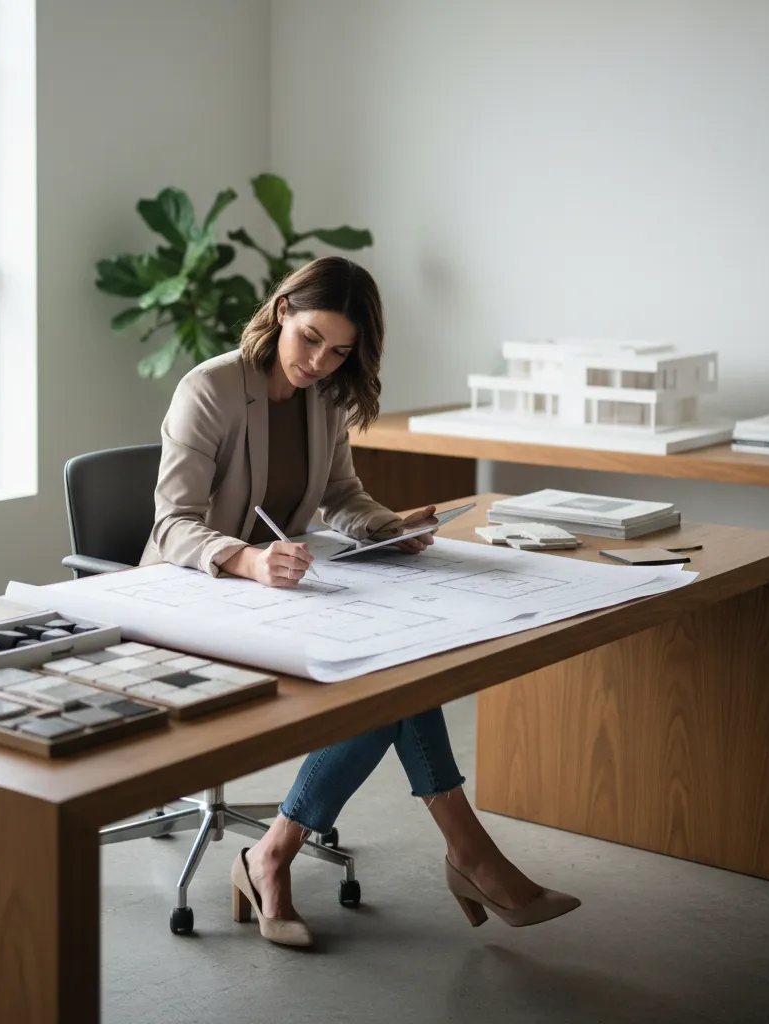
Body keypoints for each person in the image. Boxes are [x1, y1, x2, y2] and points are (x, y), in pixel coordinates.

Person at [140, 256, 580, 947]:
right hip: (200, 595)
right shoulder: (213, 389)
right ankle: (464, 855)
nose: (319, 361)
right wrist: (250, 558)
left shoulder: (326, 397)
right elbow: (170, 525)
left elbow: (340, 496)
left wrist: (389, 527)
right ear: (282, 310)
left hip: (282, 595)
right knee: (388, 687)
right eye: (311, 338)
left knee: (397, 676)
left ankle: (274, 855)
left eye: (340, 350)